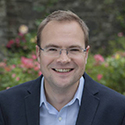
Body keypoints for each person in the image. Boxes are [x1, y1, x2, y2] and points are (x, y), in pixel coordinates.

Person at [0, 10, 125, 125]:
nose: (63, 59)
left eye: (74, 49)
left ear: (86, 54)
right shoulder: (5, 106)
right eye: (53, 49)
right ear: (38, 53)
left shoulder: (119, 109)